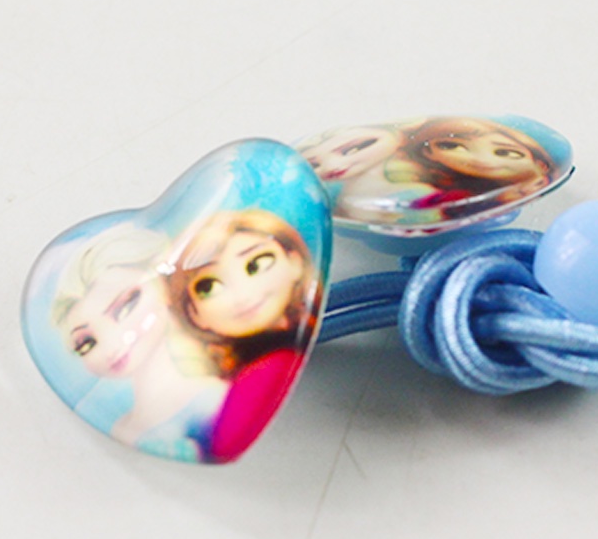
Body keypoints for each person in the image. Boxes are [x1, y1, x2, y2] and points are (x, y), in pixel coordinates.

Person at [52, 225, 227, 460]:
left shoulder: (218, 394)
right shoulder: (119, 424)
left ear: (163, 282)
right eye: (87, 343)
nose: (113, 345)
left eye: (125, 307)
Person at [168, 210, 322, 461]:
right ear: (193, 313)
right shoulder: (248, 375)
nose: (242, 295)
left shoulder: (276, 361)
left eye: (256, 264)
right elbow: (224, 443)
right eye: (209, 286)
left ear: (294, 261)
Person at [398, 117, 555, 211]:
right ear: (428, 152)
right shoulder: (423, 188)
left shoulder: (532, 183)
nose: (482, 159)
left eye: (506, 152)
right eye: (452, 146)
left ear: (540, 163)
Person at [296, 123, 433, 223]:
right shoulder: (326, 195)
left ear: (400, 139)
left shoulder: (415, 194)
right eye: (314, 165)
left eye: (353, 149)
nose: (331, 166)